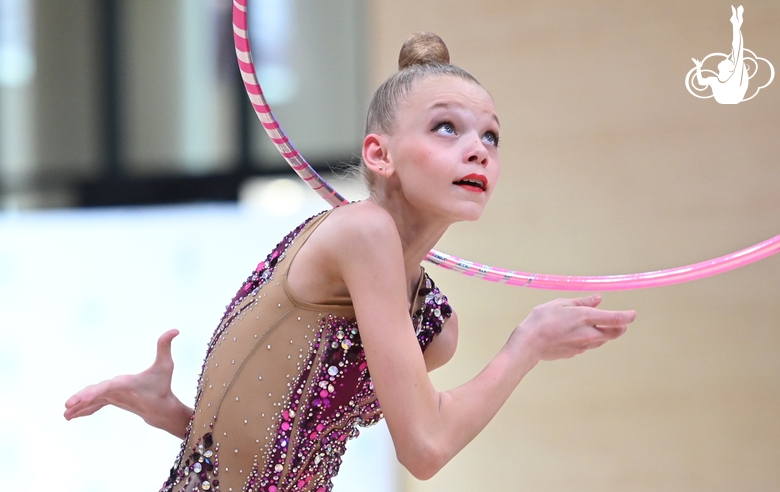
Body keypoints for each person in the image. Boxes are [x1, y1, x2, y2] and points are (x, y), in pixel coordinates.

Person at [64, 32, 636, 492]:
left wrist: (180, 419)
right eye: (446, 127)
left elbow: (280, 449)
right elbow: (425, 448)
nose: (478, 148)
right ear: (378, 154)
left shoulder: (434, 326)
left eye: (491, 136)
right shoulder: (362, 232)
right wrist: (527, 343)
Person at [692, 5, 748, 104]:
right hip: (730, 98)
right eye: (728, 61)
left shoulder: (732, 77)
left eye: (727, 61)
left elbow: (737, 49)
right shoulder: (716, 80)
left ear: (729, 69)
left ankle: (736, 23)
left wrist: (698, 67)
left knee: (737, 51)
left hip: (731, 97)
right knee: (737, 51)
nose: (724, 59)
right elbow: (701, 82)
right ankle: (736, 23)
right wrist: (698, 67)